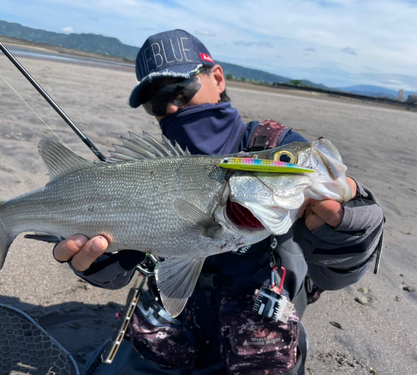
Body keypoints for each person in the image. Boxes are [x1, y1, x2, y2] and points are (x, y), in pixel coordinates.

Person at [53, 30, 385, 375]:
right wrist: (103, 266)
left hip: (260, 339)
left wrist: (352, 232)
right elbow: (123, 259)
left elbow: (333, 274)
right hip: (168, 331)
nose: (170, 107)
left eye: (180, 89)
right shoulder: (146, 170)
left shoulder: (275, 150)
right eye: (155, 101)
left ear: (217, 77)